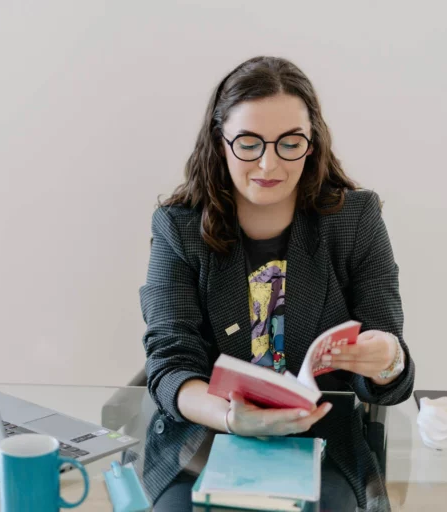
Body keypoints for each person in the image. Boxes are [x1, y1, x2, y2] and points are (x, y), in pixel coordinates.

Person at [140, 56, 415, 511]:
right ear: (220, 141)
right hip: (206, 432)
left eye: (290, 143)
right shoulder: (178, 228)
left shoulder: (354, 219)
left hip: (321, 435)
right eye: (249, 143)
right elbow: (170, 363)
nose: (268, 164)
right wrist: (231, 417)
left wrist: (387, 359)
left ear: (311, 144)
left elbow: (391, 374)